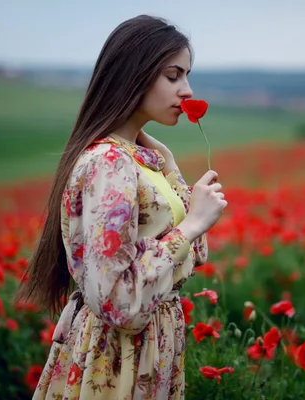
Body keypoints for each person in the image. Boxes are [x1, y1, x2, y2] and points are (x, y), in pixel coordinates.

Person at [15, 14, 227, 400]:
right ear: (135, 72)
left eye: (187, 75)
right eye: (173, 75)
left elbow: (194, 256)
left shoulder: (145, 158)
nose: (187, 90)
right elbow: (119, 302)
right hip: (118, 361)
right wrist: (192, 224)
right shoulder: (108, 164)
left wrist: (169, 163)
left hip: (151, 353)